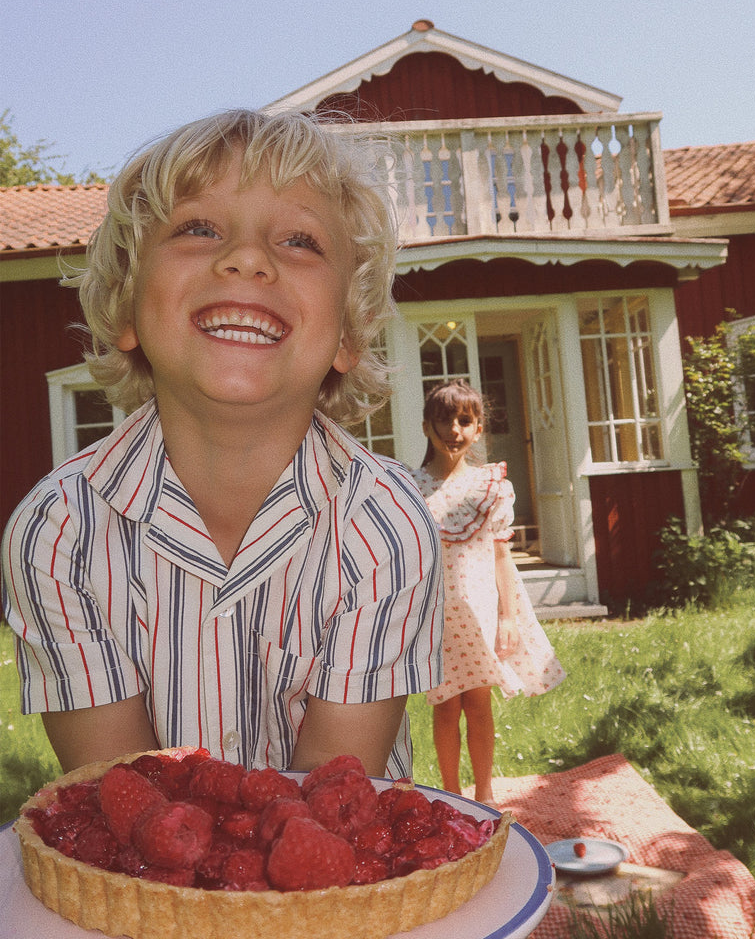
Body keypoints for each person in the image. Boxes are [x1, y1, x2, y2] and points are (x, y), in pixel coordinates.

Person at [1, 109, 443, 781]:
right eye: (198, 228)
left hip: (345, 882)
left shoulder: (387, 526)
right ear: (126, 307)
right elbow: (124, 804)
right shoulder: (58, 533)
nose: (246, 257)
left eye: (300, 240)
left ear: (349, 338)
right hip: (150, 883)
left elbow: (331, 803)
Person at [411, 380, 565, 805]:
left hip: (478, 612)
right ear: (426, 426)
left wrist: (508, 615)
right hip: (436, 616)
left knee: (478, 703)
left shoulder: (489, 486)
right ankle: (450, 793)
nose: (454, 430)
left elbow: (501, 557)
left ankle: (483, 792)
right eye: (444, 419)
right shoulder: (412, 487)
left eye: (465, 421)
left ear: (478, 429)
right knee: (445, 706)